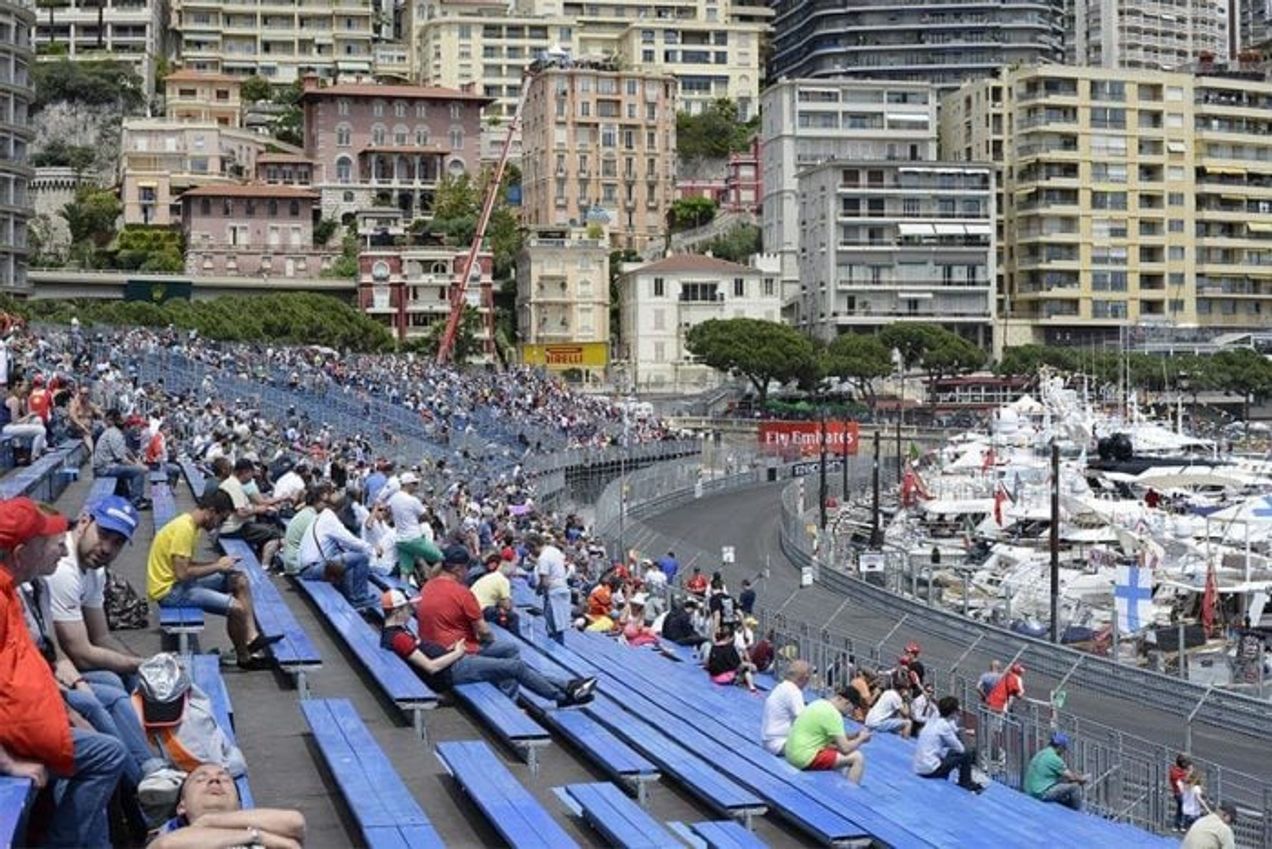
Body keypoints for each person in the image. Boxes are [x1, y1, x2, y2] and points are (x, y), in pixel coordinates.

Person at [0, 497, 129, 849]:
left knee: (97, 752)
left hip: (27, 720)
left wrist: (64, 711)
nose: (58, 551)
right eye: (49, 545)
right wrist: (8, 762)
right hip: (15, 732)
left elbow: (37, 662)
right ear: (21, 552)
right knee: (108, 754)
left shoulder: (9, 591)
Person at [403, 564, 596, 705]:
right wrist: (457, 652)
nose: (411, 609)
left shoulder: (404, 624)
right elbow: (431, 666)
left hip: (453, 656)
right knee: (515, 667)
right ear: (459, 570)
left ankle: (564, 686)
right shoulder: (398, 636)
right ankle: (563, 696)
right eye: (404, 608)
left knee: (510, 651)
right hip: (453, 665)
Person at [148, 491, 277, 670]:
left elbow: (187, 565)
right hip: (170, 592)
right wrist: (217, 566)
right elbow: (182, 574)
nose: (220, 524)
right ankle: (244, 657)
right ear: (211, 511)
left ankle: (251, 637)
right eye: (221, 519)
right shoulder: (184, 529)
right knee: (237, 609)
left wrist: (218, 564)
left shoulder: (191, 526)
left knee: (239, 580)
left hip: (179, 584)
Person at [148, 762, 307, 848]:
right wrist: (257, 836)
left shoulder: (253, 823)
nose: (214, 780)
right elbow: (165, 845)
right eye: (200, 779)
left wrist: (209, 821)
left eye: (224, 779)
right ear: (182, 806)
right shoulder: (173, 832)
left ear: (239, 803)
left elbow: (295, 822)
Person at [297, 489, 378, 613]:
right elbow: (350, 541)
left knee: (347, 561)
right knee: (362, 558)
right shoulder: (329, 519)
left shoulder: (323, 516)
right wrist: (372, 548)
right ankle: (360, 598)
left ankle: (352, 599)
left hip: (309, 568)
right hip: (313, 569)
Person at [783, 685, 871, 785]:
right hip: (803, 758)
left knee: (836, 752)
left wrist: (854, 736)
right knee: (857, 757)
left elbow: (833, 739)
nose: (850, 713)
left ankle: (836, 784)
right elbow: (845, 748)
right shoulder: (833, 714)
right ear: (847, 703)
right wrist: (861, 739)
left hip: (791, 753)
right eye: (853, 709)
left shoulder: (819, 703)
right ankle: (849, 793)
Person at [218, 459, 282, 571]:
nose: (251, 479)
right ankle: (264, 567)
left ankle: (259, 559)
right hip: (233, 528)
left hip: (229, 525)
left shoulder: (230, 483)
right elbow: (241, 512)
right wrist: (259, 509)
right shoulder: (234, 486)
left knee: (265, 528)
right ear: (245, 472)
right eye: (250, 475)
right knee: (274, 533)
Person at [912, 696, 982, 792]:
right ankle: (965, 783)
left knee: (950, 753)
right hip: (930, 770)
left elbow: (952, 729)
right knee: (967, 754)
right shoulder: (944, 726)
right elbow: (960, 749)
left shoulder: (934, 719)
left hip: (919, 767)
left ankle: (963, 778)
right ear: (953, 712)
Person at [387, 472, 442, 580]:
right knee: (441, 559)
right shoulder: (413, 500)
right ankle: (430, 585)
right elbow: (427, 517)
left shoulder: (393, 499)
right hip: (414, 539)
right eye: (414, 484)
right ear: (408, 484)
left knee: (405, 571)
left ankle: (404, 591)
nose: (416, 487)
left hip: (401, 540)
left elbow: (389, 511)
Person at [92, 409, 150, 510]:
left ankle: (130, 498)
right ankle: (136, 501)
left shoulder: (115, 433)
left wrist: (137, 461)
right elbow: (121, 458)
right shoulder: (114, 434)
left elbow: (126, 450)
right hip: (104, 469)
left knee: (131, 470)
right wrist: (138, 466)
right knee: (138, 472)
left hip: (107, 466)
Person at [1024, 732, 1087, 811]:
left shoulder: (1042, 753)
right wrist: (1082, 779)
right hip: (1040, 793)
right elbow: (1072, 777)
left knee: (1062, 787)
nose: (1064, 751)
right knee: (1075, 787)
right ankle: (1078, 812)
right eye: (1064, 748)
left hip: (1029, 790)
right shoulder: (1055, 759)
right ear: (1060, 747)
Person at [761, 659, 810, 755]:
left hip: (769, 741)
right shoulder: (793, 691)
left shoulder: (782, 687)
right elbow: (803, 720)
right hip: (780, 743)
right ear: (805, 678)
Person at [280, 485, 324, 575]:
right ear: (317, 502)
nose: (327, 504)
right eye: (325, 502)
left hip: (291, 560)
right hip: (297, 564)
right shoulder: (312, 518)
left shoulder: (305, 513)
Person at [471, 557, 518, 631]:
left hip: (472, 606)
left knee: (500, 612)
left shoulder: (489, 576)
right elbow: (507, 605)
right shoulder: (503, 580)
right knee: (513, 616)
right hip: (483, 609)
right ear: (510, 574)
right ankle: (516, 639)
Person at [1170, 753, 1193, 832]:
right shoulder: (1177, 772)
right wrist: (1190, 772)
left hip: (1180, 792)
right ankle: (1183, 825)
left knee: (1180, 809)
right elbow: (1185, 780)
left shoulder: (1177, 770)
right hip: (1180, 793)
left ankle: (1177, 825)